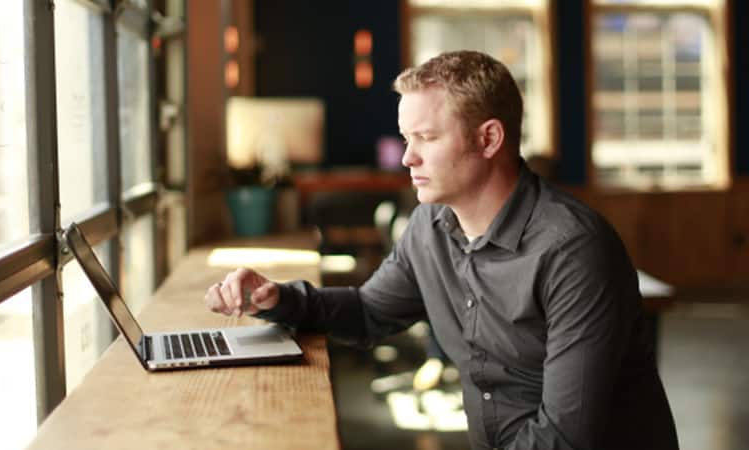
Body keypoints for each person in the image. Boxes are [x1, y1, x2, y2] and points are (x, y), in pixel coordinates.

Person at [204, 50, 678, 450]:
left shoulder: (572, 251)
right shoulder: (431, 224)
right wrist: (279, 299)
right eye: (407, 138)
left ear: (488, 138)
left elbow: (563, 438)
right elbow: (371, 312)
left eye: (426, 138)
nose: (408, 157)